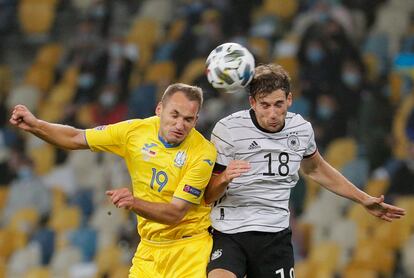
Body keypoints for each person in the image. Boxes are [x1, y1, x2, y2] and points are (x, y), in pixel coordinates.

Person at [204, 64, 406, 278]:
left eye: (278, 104)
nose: (272, 113)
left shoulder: (300, 129)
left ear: (289, 100)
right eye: (264, 105)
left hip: (274, 238)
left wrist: (363, 198)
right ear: (252, 102)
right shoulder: (228, 130)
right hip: (229, 233)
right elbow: (208, 195)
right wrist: (225, 178)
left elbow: (316, 168)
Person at [9, 83, 217, 278]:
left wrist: (134, 202)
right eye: (175, 115)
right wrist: (36, 125)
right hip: (149, 249)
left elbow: (176, 213)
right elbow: (76, 137)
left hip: (189, 249)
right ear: (159, 109)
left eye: (188, 119)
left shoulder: (202, 153)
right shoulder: (135, 132)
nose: (180, 124)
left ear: (196, 121)